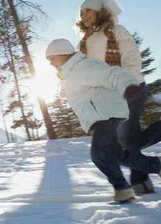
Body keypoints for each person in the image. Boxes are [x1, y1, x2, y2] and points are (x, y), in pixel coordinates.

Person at [45, 38, 161, 203]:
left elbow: (113, 74)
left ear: (62, 53)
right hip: (102, 115)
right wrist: (65, 91)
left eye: (51, 58)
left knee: (99, 154)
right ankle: (156, 165)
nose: (50, 63)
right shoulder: (72, 72)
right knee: (119, 155)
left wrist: (128, 85)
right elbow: (79, 85)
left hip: (106, 115)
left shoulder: (84, 67)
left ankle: (122, 189)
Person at [71, 0, 161, 195]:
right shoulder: (83, 43)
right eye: (81, 12)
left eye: (89, 10)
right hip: (107, 95)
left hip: (131, 87)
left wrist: (127, 82)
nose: (84, 15)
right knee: (130, 139)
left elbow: (131, 57)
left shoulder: (117, 31)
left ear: (100, 11)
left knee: (125, 140)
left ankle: (141, 181)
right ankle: (142, 180)